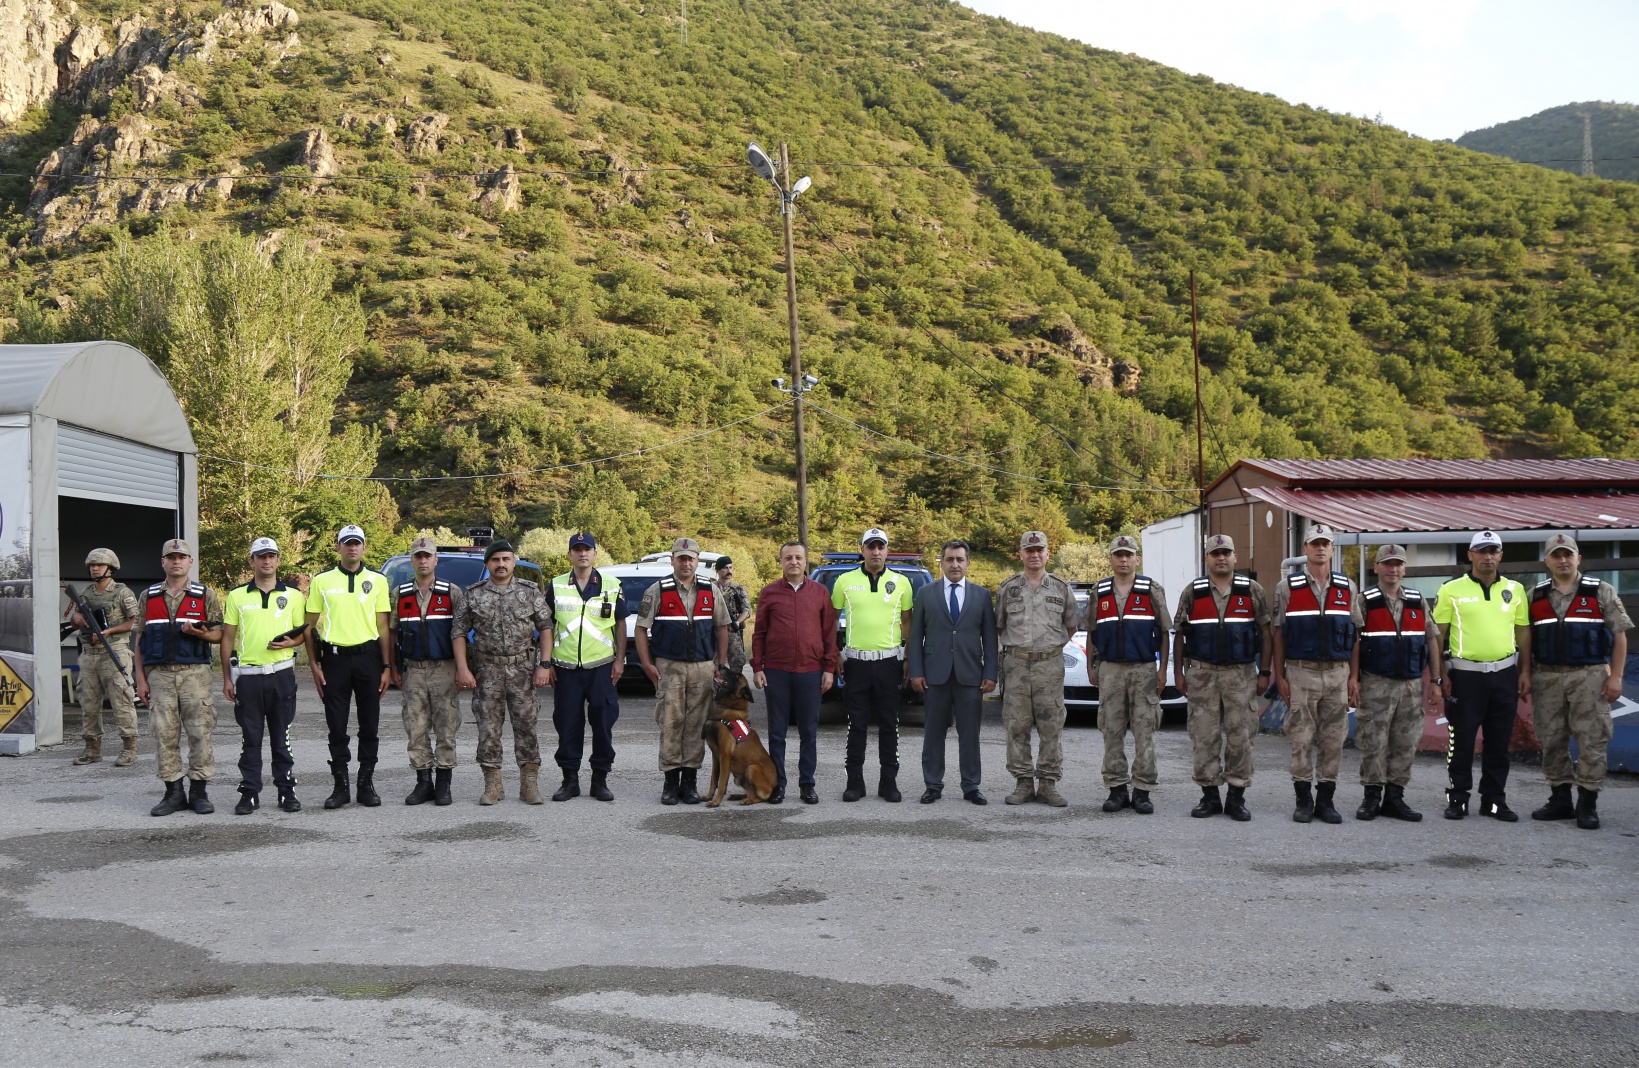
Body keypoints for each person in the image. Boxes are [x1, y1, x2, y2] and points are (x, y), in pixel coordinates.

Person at [1527, 534, 1632, 830]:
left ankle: (1587, 804)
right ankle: (1560, 799)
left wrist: (1617, 676)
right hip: (1546, 676)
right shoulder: (1535, 594)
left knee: (1592, 739)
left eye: (1567, 555)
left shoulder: (1601, 591)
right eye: (1556, 556)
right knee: (1551, 739)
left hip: (1590, 676)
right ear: (1547, 561)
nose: (1562, 560)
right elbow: (1526, 639)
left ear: (1578, 558)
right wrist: (1525, 673)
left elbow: (1620, 635)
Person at [1433, 530, 1531, 822]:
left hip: (1504, 675)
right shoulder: (1451, 589)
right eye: (1481, 551)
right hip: (1465, 677)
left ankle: (1494, 800)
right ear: (1470, 555)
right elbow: (1438, 635)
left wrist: (1525, 670)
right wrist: (1439, 676)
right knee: (1460, 741)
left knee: (1499, 743)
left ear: (1501, 556)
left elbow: (1523, 632)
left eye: (1493, 551)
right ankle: (1458, 798)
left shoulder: (1515, 589)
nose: (1487, 556)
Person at [1172, 535, 1272, 822]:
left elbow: (1266, 633)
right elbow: (1179, 634)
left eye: (1226, 552)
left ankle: (1236, 798)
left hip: (1240, 674)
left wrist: (1264, 672)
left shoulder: (1251, 590)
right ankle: (1210, 797)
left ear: (1235, 557)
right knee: (1204, 737)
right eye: (1215, 553)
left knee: (1242, 737)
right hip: (1202, 673)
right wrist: (1179, 672)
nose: (1221, 558)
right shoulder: (1194, 591)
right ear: (1207, 559)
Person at [1271, 523, 1363, 825]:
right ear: (1305, 550)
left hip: (1337, 674)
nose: (1320, 548)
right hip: (1301, 673)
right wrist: (1280, 675)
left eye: (1326, 543)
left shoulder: (1347, 587)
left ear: (1333, 550)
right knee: (1300, 738)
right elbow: (1279, 634)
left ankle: (1326, 800)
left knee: (1334, 739)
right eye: (1315, 544)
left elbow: (1355, 637)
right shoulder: (1288, 587)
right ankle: (1303, 800)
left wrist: (1353, 678)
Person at [453, 539, 554, 805]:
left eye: (505, 559)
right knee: (488, 729)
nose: (501, 564)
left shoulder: (529, 592)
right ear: (487, 564)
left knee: (527, 726)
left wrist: (545, 664)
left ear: (513, 562)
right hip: (487, 670)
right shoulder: (473, 595)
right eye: (495, 560)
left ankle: (529, 783)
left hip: (522, 669)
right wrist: (463, 668)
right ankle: (492, 784)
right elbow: (459, 632)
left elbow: (546, 627)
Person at [1349, 544, 1442, 822]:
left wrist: (1436, 680)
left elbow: (1431, 640)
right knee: (1373, 741)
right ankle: (1372, 797)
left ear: (1404, 568)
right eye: (1387, 563)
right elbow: (1354, 642)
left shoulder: (1416, 600)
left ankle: (1395, 796)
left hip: (1411, 685)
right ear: (1376, 567)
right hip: (1376, 682)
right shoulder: (1365, 600)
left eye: (1398, 564)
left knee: (1406, 742)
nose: (1393, 569)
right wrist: (1352, 679)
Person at [303, 525, 392, 810]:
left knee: (369, 724)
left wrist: (387, 666)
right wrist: (314, 664)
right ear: (338, 547)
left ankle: (366, 784)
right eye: (347, 543)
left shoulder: (378, 580)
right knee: (336, 726)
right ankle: (340, 786)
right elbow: (308, 626)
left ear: (364, 548)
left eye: (357, 543)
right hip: (334, 660)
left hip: (368, 658)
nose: (352, 548)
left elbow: (383, 627)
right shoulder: (322, 581)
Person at [133, 539, 223, 817]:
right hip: (159, 676)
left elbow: (219, 635)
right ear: (163, 562)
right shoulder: (148, 596)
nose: (176, 561)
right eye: (170, 557)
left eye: (181, 557)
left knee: (200, 732)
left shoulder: (204, 594)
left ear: (190, 562)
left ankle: (199, 792)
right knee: (164, 734)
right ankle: (173, 793)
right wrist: (140, 679)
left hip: (194, 675)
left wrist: (199, 633)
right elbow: (139, 640)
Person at [636, 537, 730, 805]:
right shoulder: (657, 590)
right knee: (670, 723)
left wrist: (720, 664)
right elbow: (641, 628)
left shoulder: (710, 590)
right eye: (681, 558)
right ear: (673, 560)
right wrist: (647, 663)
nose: (686, 562)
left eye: (691, 558)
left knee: (696, 725)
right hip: (670, 668)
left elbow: (722, 627)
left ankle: (689, 782)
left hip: (702, 668)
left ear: (697, 561)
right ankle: (670, 783)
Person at [995, 531, 1083, 807]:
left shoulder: (1060, 587)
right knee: (1016, 726)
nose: (1034, 554)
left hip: (1049, 665)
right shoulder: (1008, 588)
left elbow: (1071, 626)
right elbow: (999, 626)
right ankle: (1023, 783)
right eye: (1029, 550)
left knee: (1051, 726)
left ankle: (1048, 784)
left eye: (1039, 550)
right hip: (1016, 665)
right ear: (1020, 554)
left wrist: (1048, 649)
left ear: (1047, 553)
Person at [221, 537, 307, 815]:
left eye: (271, 556)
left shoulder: (293, 596)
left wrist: (289, 644)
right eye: (261, 556)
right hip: (248, 677)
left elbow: (302, 635)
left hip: (280, 675)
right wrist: (226, 677)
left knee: (281, 737)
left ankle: (286, 790)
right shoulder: (236, 596)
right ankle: (249, 792)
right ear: (252, 561)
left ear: (278, 560)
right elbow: (227, 638)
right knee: (251, 739)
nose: (266, 561)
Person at [908, 539, 997, 805]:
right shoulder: (926, 593)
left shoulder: (981, 595)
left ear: (968, 563)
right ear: (942, 563)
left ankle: (971, 786)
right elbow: (916, 636)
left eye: (960, 559)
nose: (955, 564)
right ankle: (933, 784)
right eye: (950, 559)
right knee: (933, 732)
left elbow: (990, 638)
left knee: (969, 734)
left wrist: (990, 672)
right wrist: (916, 671)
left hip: (971, 675)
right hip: (935, 675)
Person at [1089, 535, 1171, 815]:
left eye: (1128, 555)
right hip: (1110, 669)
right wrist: (1092, 665)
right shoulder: (1099, 591)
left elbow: (1163, 633)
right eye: (1118, 555)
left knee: (1144, 731)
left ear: (1137, 559)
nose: (1123, 560)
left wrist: (1162, 669)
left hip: (1144, 669)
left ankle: (1142, 791)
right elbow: (1092, 632)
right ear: (1111, 559)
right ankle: (1117, 789)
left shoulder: (1151, 590)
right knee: (1111, 730)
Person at [751, 541, 838, 805]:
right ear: (780, 562)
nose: (794, 562)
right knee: (777, 732)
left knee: (808, 732)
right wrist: (758, 667)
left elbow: (829, 634)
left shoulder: (820, 592)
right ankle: (777, 785)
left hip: (811, 671)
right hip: (777, 671)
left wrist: (829, 669)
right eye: (788, 558)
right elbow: (759, 633)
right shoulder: (769, 593)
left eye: (798, 557)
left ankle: (807, 784)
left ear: (805, 561)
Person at [832, 528, 915, 803]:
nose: (876, 552)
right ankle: (855, 781)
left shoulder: (901, 582)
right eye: (871, 547)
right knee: (856, 724)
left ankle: (888, 782)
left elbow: (907, 624)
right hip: (856, 664)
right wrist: (835, 652)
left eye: (881, 547)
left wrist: (908, 657)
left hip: (889, 663)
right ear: (863, 549)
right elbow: (831, 620)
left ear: (887, 550)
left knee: (890, 724)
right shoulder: (844, 581)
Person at [544, 532, 626, 803]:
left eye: (587, 549)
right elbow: (545, 626)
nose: (582, 554)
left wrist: (619, 660)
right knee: (567, 724)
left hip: (602, 667)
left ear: (594, 554)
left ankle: (599, 780)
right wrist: (546, 662)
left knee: (603, 723)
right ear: (569, 554)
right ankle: (570, 781)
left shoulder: (611, 585)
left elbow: (621, 624)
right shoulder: (556, 585)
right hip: (565, 668)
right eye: (576, 550)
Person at [390, 536, 463, 807]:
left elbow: (460, 633)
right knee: (415, 727)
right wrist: (392, 667)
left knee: (446, 726)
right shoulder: (400, 593)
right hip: (413, 671)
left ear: (435, 560)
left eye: (427, 556)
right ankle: (423, 783)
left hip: (444, 668)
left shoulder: (451, 592)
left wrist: (462, 669)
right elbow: (391, 631)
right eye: (418, 556)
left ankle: (444, 784)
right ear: (412, 559)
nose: (423, 560)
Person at [69, 548, 140, 768]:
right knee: (88, 705)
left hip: (115, 651)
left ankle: (129, 748)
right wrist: (76, 618)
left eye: (99, 565)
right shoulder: (86, 593)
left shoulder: (122, 592)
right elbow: (74, 620)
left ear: (110, 568)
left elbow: (136, 621)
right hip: (90, 655)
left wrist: (109, 632)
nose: (94, 568)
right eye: (92, 565)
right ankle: (92, 749)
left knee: (122, 702)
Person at [714, 556, 751, 684]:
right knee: (713, 665)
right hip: (714, 633)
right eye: (725, 568)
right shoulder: (711, 588)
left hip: (732, 632)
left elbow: (746, 610)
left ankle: (734, 693)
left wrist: (737, 622)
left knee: (737, 663)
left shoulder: (737, 589)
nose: (729, 570)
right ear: (718, 570)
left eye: (730, 567)